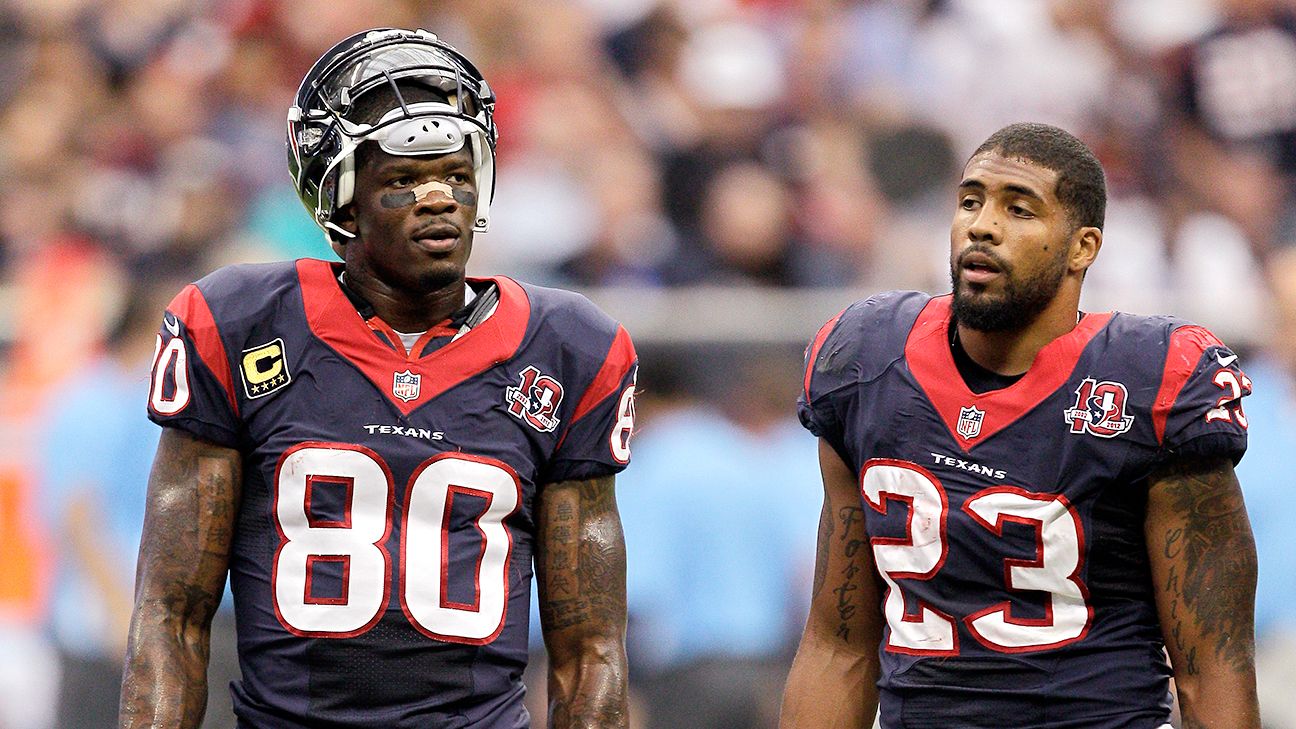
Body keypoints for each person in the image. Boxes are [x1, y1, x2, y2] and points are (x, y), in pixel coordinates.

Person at [119, 28, 638, 729]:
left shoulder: (569, 349)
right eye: (403, 179)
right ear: (342, 198)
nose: (439, 198)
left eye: (456, 174)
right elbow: (171, 614)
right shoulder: (239, 325)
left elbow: (591, 653)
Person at [781, 122, 1260, 729]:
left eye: (1019, 209)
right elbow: (837, 645)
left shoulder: (1150, 381)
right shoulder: (867, 362)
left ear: (1082, 247)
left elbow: (1213, 668)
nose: (982, 225)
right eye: (971, 201)